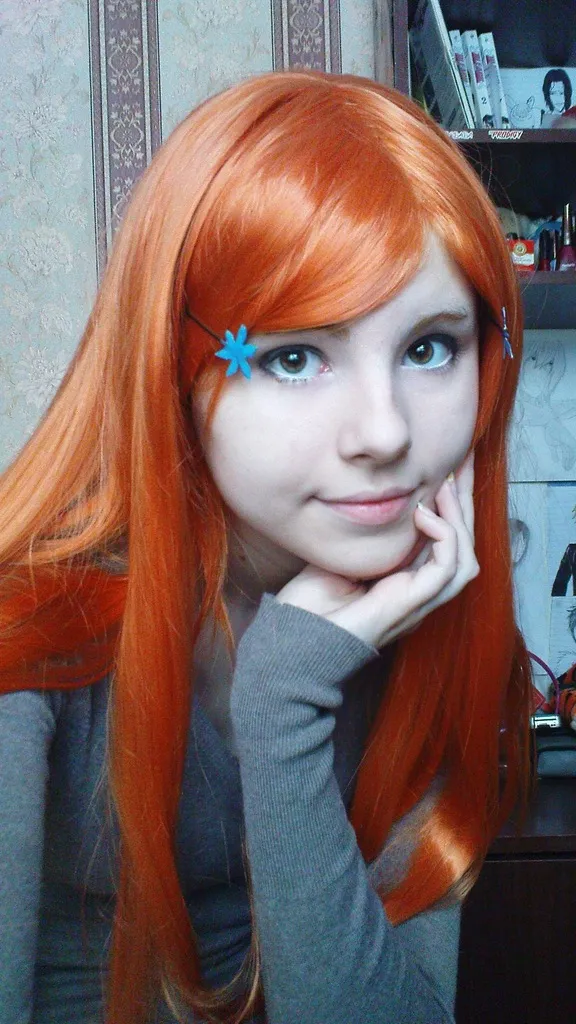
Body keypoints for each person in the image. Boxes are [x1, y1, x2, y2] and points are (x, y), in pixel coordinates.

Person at [0, 70, 532, 1024]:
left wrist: (286, 695)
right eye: (293, 355)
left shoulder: (431, 616)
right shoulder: (29, 629)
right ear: (174, 367)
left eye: (429, 348)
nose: (384, 433)